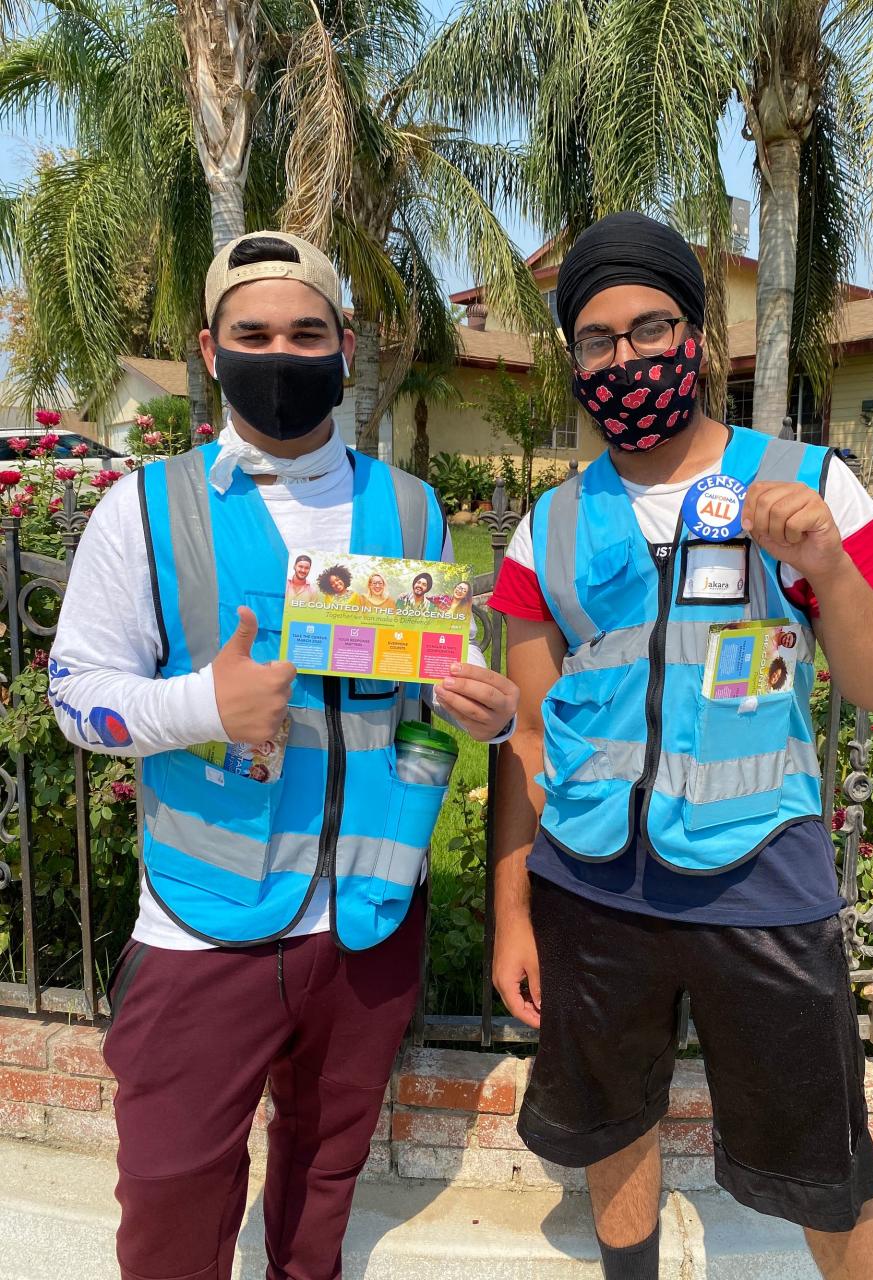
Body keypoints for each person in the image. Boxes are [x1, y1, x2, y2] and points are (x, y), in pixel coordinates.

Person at [47, 230, 519, 1280]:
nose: (281, 352)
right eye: (253, 333)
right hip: (200, 919)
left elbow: (423, 700)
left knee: (319, 1197)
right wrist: (199, 703)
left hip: (366, 912)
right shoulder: (145, 509)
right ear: (210, 351)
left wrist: (482, 710)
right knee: (171, 1202)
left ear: (344, 345)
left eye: (307, 332)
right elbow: (75, 696)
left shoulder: (409, 507)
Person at [488, 211, 873, 1280]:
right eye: (598, 339)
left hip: (760, 885)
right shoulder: (543, 525)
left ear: (697, 332)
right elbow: (529, 735)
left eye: (651, 327)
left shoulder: (809, 480)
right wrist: (511, 908)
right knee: (611, 1128)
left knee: (828, 1161)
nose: (626, 356)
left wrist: (826, 563)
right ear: (574, 358)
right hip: (592, 887)